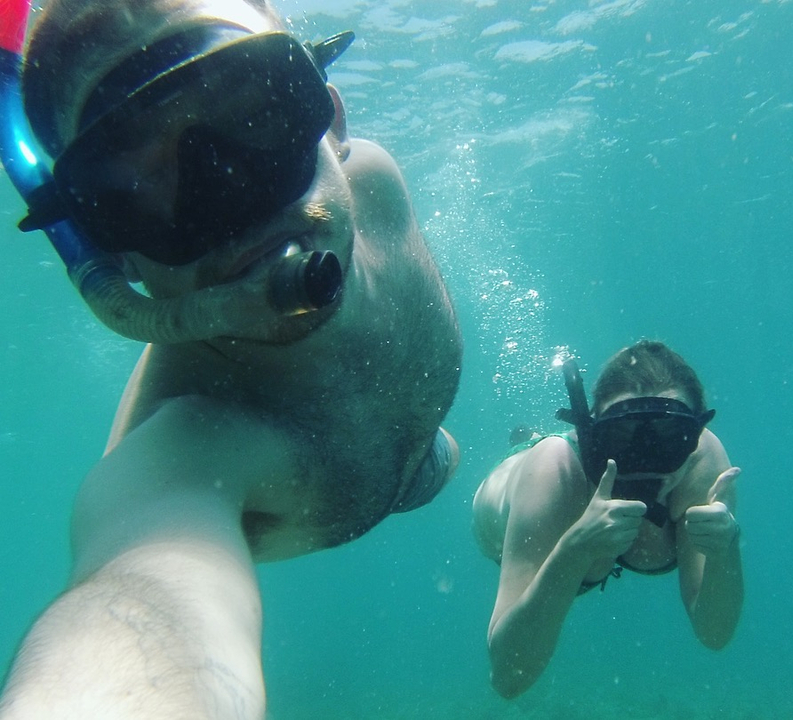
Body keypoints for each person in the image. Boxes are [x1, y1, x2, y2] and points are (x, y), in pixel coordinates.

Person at [0, 0, 462, 717]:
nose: (229, 200)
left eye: (255, 115)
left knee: (440, 465)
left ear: (330, 120)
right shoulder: (181, 450)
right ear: (109, 249)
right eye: (138, 185)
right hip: (342, 496)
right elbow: (141, 597)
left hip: (421, 459)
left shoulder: (375, 182)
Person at [472, 340, 742, 698]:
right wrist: (573, 549)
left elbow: (714, 634)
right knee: (535, 466)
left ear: (694, 437)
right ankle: (527, 441)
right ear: (592, 434)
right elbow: (508, 679)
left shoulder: (703, 463)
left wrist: (727, 552)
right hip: (518, 495)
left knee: (649, 546)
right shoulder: (554, 473)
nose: (647, 461)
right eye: (623, 437)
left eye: (669, 438)